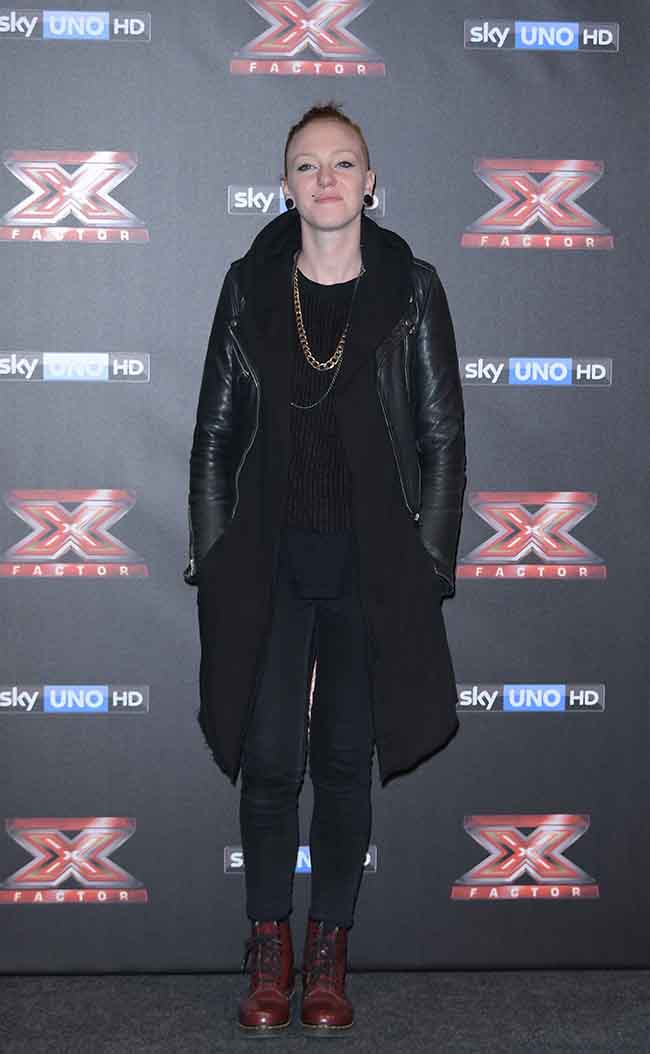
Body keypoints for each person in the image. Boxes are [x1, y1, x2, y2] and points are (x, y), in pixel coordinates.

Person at [184, 101, 466, 1035]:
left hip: (370, 566)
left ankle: (329, 961)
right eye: (308, 165)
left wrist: (427, 567)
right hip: (266, 561)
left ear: (371, 182)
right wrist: (215, 558)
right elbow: (214, 437)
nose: (327, 178)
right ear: (286, 186)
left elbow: (441, 438)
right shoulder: (249, 287)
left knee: (345, 763)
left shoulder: (412, 289)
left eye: (344, 162)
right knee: (269, 761)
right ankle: (270, 953)